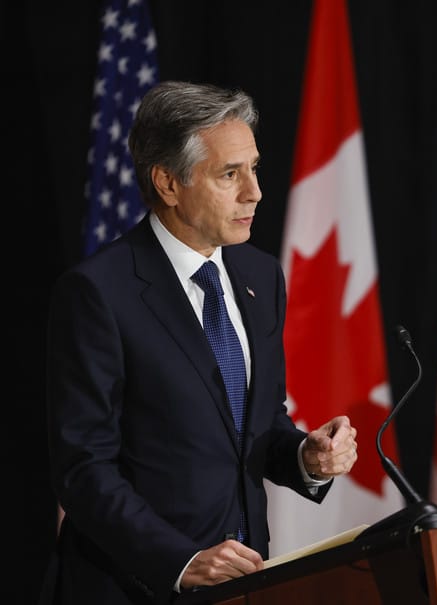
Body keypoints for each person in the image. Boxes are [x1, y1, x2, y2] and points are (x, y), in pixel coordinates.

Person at [45, 81, 359, 604]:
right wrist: (181, 560)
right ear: (168, 183)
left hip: (245, 583)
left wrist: (306, 456)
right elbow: (83, 470)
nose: (254, 191)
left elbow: (256, 426)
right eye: (229, 174)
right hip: (132, 587)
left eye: (254, 168)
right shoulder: (99, 292)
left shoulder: (261, 276)